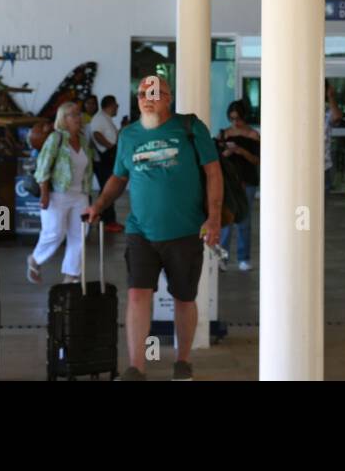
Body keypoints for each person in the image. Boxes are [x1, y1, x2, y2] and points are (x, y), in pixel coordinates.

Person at [84, 76, 222, 381]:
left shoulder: (190, 128)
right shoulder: (129, 135)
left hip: (185, 231)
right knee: (136, 295)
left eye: (156, 93)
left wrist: (213, 218)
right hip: (141, 232)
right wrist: (100, 204)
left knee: (184, 298)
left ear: (169, 98)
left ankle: (182, 361)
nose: (149, 98)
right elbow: (118, 178)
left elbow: (213, 172)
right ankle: (137, 367)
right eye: (143, 94)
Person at [28, 101, 94, 283]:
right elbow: (43, 167)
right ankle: (35, 259)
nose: (79, 118)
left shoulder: (83, 140)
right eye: (74, 115)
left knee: (79, 235)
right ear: (63, 119)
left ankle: (71, 275)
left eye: (79, 114)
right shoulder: (56, 138)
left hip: (80, 195)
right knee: (54, 233)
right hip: (57, 193)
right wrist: (44, 193)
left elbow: (87, 168)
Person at [217, 100, 259, 271]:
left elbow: (257, 160)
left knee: (244, 220)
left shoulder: (253, 135)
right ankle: (222, 258)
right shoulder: (224, 134)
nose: (235, 122)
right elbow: (217, 158)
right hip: (229, 180)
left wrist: (240, 151)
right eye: (232, 118)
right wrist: (227, 152)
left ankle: (244, 258)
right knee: (226, 219)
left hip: (247, 180)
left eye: (238, 118)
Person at [89, 95, 123, 232]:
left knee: (107, 188)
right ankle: (107, 221)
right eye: (116, 105)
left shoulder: (105, 119)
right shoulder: (99, 118)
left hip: (109, 156)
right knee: (107, 189)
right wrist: (109, 146)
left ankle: (108, 220)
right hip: (104, 159)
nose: (117, 107)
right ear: (110, 104)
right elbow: (96, 134)